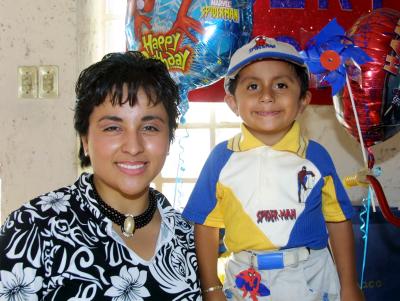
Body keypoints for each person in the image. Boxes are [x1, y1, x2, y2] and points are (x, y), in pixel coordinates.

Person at [0, 51, 201, 300]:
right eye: (113, 128)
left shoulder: (188, 237)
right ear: (85, 140)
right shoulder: (33, 229)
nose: (133, 146)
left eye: (149, 127)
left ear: (169, 139)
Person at [183, 36, 364, 301]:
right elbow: (206, 227)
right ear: (233, 103)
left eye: (281, 85)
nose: (267, 96)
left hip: (313, 277)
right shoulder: (221, 159)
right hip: (246, 283)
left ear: (303, 100)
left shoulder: (316, 157)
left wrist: (349, 285)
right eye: (253, 86)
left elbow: (338, 220)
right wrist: (211, 287)